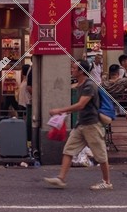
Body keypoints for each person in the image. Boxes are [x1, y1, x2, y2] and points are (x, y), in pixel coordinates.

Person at [43, 60, 113, 190]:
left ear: (81, 71)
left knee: (100, 155)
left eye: (74, 68)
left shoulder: (89, 85)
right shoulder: (79, 84)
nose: (71, 70)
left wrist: (60, 110)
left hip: (92, 125)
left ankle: (107, 182)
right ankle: (61, 179)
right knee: (68, 150)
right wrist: (65, 113)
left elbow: (81, 104)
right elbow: (80, 107)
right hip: (81, 124)